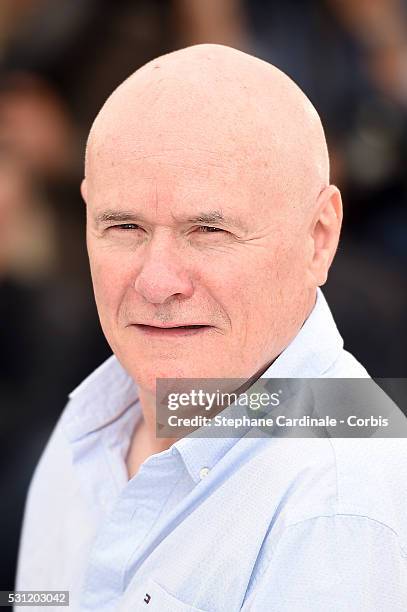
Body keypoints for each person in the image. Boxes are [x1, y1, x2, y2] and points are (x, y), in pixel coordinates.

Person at [16, 44, 406, 611]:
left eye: (208, 231)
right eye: (123, 225)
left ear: (319, 237)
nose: (157, 281)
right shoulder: (93, 424)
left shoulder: (340, 511)